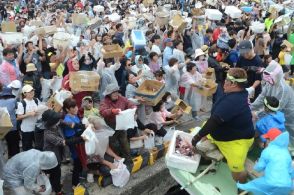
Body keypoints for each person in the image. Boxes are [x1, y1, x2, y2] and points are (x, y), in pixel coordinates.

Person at [192, 68, 255, 183]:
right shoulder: (239, 92)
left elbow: (214, 121)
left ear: (234, 84)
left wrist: (196, 137)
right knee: (206, 127)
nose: (223, 82)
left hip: (237, 141)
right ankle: (206, 159)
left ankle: (241, 186)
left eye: (226, 80)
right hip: (224, 131)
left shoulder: (232, 101)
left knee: (237, 170)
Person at [251, 60, 294, 147]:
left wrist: (257, 113)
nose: (269, 82)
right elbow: (262, 97)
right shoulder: (270, 82)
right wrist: (251, 107)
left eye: (270, 79)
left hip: (286, 115)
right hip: (274, 113)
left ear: (277, 76)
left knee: (287, 135)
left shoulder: (283, 89)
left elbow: (276, 109)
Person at [237, 129, 293, 195]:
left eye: (266, 139)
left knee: (252, 185)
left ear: (270, 140)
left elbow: (258, 168)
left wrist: (256, 164)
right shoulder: (287, 153)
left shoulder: (267, 151)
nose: (265, 141)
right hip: (287, 185)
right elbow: (291, 172)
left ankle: (241, 188)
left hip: (270, 183)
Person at [99, 83, 136, 162]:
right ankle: (116, 159)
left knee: (124, 141)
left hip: (122, 124)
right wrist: (112, 111)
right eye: (113, 93)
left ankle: (128, 158)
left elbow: (129, 102)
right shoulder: (105, 101)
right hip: (111, 126)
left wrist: (133, 107)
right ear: (109, 94)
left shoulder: (122, 98)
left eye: (117, 92)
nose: (116, 94)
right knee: (113, 143)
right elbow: (102, 111)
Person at [62, 98, 86, 188]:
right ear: (67, 109)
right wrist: (81, 136)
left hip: (79, 141)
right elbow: (70, 137)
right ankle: (74, 184)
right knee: (77, 161)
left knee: (80, 160)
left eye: (76, 106)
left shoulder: (75, 115)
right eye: (73, 107)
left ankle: (79, 174)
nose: (76, 108)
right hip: (74, 144)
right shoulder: (67, 119)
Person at [16, 85, 40, 151]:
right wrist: (29, 114)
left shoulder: (36, 100)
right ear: (24, 93)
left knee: (38, 146)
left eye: (32, 90)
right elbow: (18, 117)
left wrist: (38, 112)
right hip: (26, 130)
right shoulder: (22, 103)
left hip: (36, 128)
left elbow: (40, 110)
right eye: (29, 91)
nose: (32, 92)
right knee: (27, 148)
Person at [0, 87, 19, 158]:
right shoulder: (13, 100)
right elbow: (17, 109)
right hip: (12, 126)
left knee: (5, 144)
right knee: (14, 145)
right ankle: (14, 158)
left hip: (2, 126)